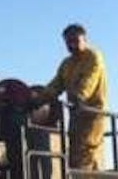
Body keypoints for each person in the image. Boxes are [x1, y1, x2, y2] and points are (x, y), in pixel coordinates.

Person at [37, 23, 109, 170]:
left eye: (75, 41)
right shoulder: (66, 64)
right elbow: (56, 85)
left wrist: (79, 97)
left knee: (87, 152)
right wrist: (37, 99)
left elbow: (89, 81)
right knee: (74, 154)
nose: (72, 45)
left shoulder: (93, 57)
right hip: (76, 114)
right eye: (68, 42)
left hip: (92, 115)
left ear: (85, 39)